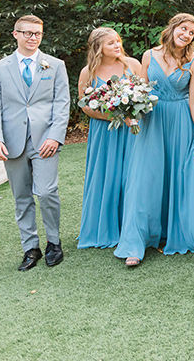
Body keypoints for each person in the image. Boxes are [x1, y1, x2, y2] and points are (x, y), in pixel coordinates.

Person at [114, 13, 194, 267]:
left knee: (185, 175)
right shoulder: (148, 55)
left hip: (180, 122)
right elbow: (140, 91)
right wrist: (131, 115)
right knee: (145, 178)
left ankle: (187, 233)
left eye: (192, 34)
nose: (187, 35)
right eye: (184, 29)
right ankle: (135, 243)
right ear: (173, 27)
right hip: (151, 122)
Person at [0, 15, 70, 271]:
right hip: (12, 142)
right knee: (21, 196)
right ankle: (30, 247)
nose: (33, 38)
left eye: (37, 34)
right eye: (27, 33)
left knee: (46, 192)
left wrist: (55, 135)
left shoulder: (54, 65)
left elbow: (62, 102)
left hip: (45, 139)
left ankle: (53, 242)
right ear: (15, 34)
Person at [76, 28, 143, 249]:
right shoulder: (88, 72)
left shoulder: (131, 64)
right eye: (111, 43)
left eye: (118, 41)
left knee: (132, 176)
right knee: (107, 176)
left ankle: (134, 227)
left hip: (131, 130)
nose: (117, 46)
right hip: (104, 133)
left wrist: (130, 115)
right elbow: (85, 106)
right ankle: (104, 228)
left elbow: (142, 94)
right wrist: (114, 115)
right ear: (98, 48)